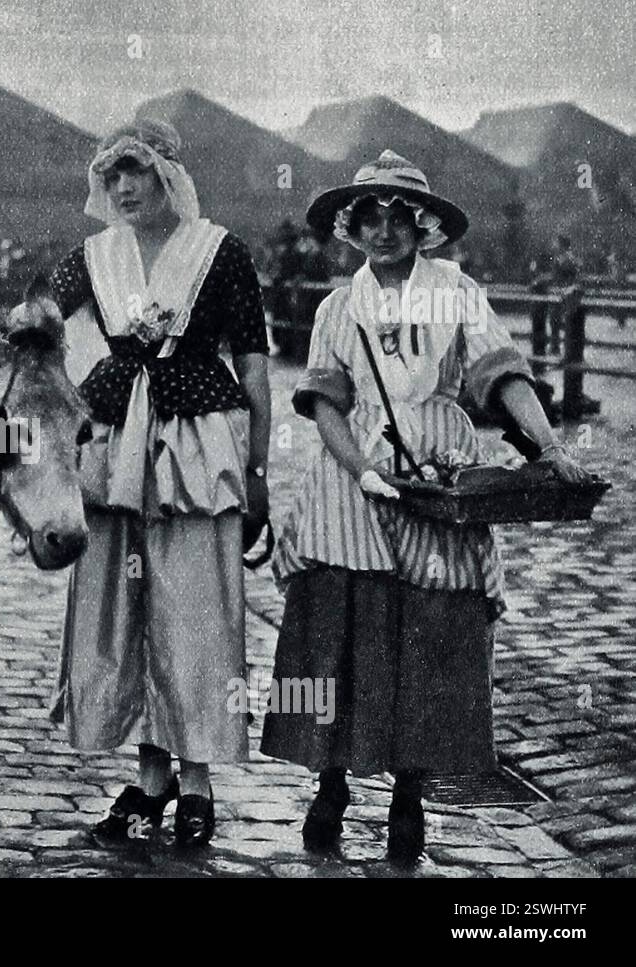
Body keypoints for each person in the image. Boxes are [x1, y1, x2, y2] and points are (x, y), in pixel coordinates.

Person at [261, 150, 590, 864]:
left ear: (422, 227)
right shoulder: (337, 305)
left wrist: (548, 445)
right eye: (370, 218)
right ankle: (330, 781)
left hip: (438, 470)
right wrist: (363, 468)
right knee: (339, 628)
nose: (384, 231)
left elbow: (503, 375)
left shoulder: (457, 293)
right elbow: (323, 402)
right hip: (353, 475)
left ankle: (410, 792)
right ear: (352, 227)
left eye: (398, 218)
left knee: (430, 631)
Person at [46, 118, 271, 848]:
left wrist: (259, 471)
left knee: (196, 607)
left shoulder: (220, 252)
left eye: (135, 171)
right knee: (126, 601)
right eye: (110, 176)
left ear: (169, 174)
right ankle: (151, 775)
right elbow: (38, 331)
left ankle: (197, 777)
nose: (122, 188)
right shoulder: (92, 258)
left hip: (195, 451)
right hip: (115, 446)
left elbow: (256, 367)